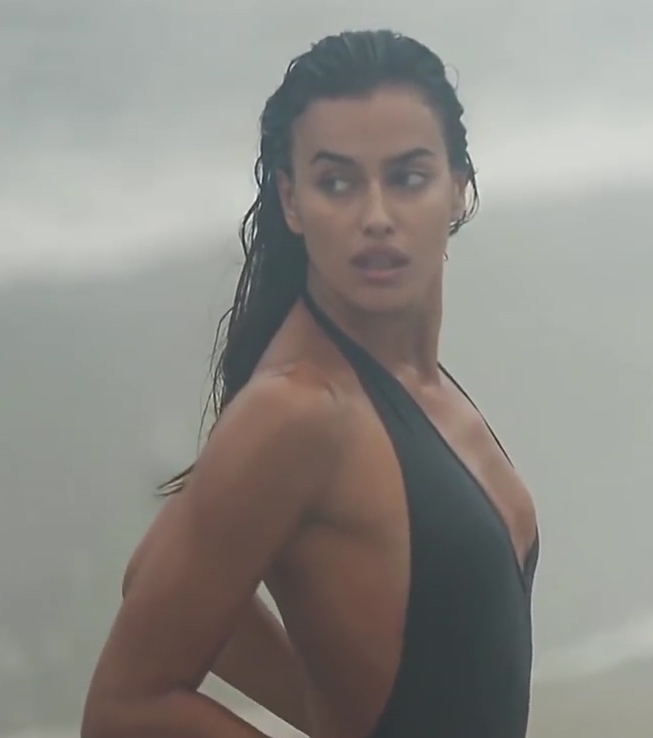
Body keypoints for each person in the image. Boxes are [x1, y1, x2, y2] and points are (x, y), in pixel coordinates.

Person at [81, 29, 540, 738]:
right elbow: (124, 710)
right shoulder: (298, 411)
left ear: (459, 187)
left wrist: (333, 712)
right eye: (338, 183)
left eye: (407, 178)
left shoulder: (408, 379)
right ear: (292, 202)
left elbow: (152, 573)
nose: (376, 217)